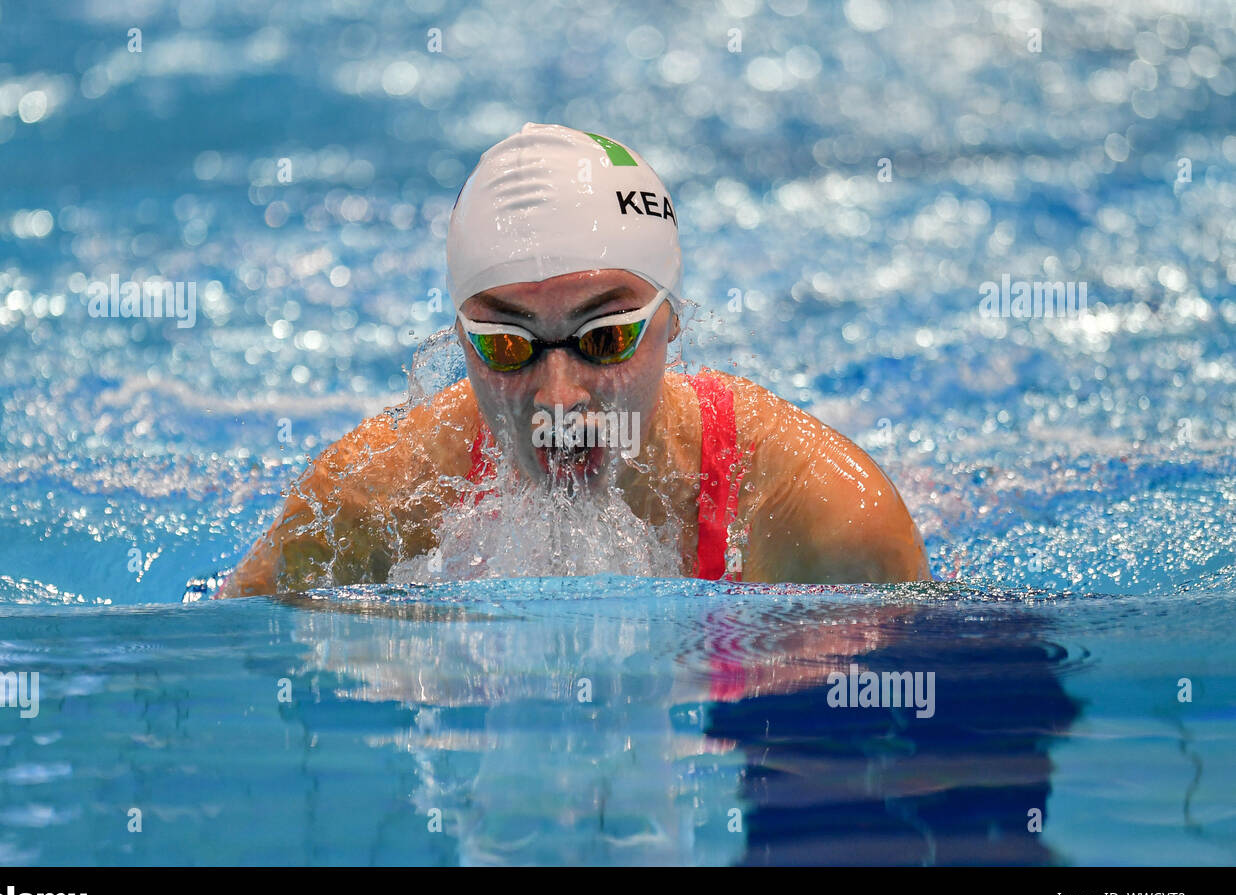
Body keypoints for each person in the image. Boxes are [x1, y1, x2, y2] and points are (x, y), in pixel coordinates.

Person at [216, 123, 929, 597]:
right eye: (507, 346)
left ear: (671, 319)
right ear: (460, 341)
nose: (558, 400)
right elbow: (226, 688)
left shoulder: (819, 517)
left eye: (604, 338)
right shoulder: (374, 498)